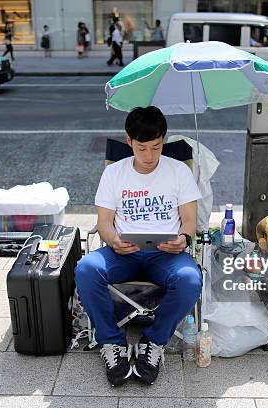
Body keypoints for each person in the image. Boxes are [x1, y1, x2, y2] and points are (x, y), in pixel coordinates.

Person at [74, 106, 202, 387]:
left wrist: (183, 239)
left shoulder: (178, 171)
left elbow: (190, 221)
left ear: (163, 140)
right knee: (86, 269)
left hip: (166, 253)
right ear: (129, 141)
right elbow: (104, 222)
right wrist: (112, 240)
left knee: (191, 279)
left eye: (156, 147)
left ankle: (153, 342)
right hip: (125, 252)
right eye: (141, 148)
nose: (148, 156)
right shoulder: (114, 173)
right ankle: (112, 344)